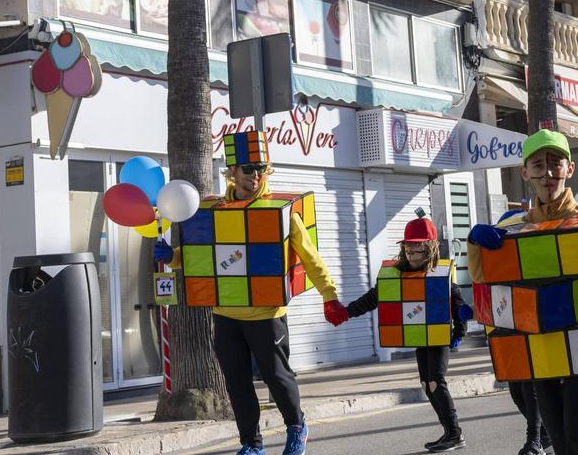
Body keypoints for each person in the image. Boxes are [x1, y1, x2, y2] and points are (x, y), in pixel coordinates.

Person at [154, 132, 346, 455]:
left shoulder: (279, 213)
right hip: (226, 316)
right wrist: (171, 257)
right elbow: (200, 256)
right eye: (248, 168)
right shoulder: (214, 210)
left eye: (260, 168)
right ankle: (252, 444)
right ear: (232, 171)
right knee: (237, 384)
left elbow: (310, 258)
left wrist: (330, 294)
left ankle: (297, 426)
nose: (255, 175)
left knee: (277, 377)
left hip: (267, 315)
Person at [467, 129, 578, 455]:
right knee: (556, 431)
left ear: (569, 169)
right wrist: (475, 242)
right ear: (525, 172)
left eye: (556, 164)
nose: (548, 173)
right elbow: (480, 274)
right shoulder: (512, 228)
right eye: (538, 165)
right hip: (538, 343)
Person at [343, 215, 472, 452]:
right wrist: (346, 313)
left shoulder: (438, 274)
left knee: (435, 381)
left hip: (438, 336)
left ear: (430, 246)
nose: (412, 249)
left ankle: (455, 433)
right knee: (426, 383)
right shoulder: (397, 274)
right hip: (419, 336)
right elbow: (373, 298)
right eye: (409, 244)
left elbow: (457, 303)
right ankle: (449, 432)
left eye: (418, 244)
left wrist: (459, 331)